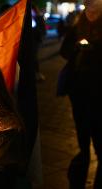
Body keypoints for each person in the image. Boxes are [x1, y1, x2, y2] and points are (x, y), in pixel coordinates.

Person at [59, 0, 102, 188]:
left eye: (95, 9)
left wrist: (95, 49)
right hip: (79, 92)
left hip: (100, 93)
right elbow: (64, 51)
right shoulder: (77, 26)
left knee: (99, 137)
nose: (90, 12)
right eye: (88, 8)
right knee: (82, 137)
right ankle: (79, 172)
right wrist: (77, 47)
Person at [31, 4, 46, 82]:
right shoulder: (26, 18)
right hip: (29, 40)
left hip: (35, 40)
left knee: (34, 57)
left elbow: (43, 30)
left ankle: (37, 73)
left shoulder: (38, 18)